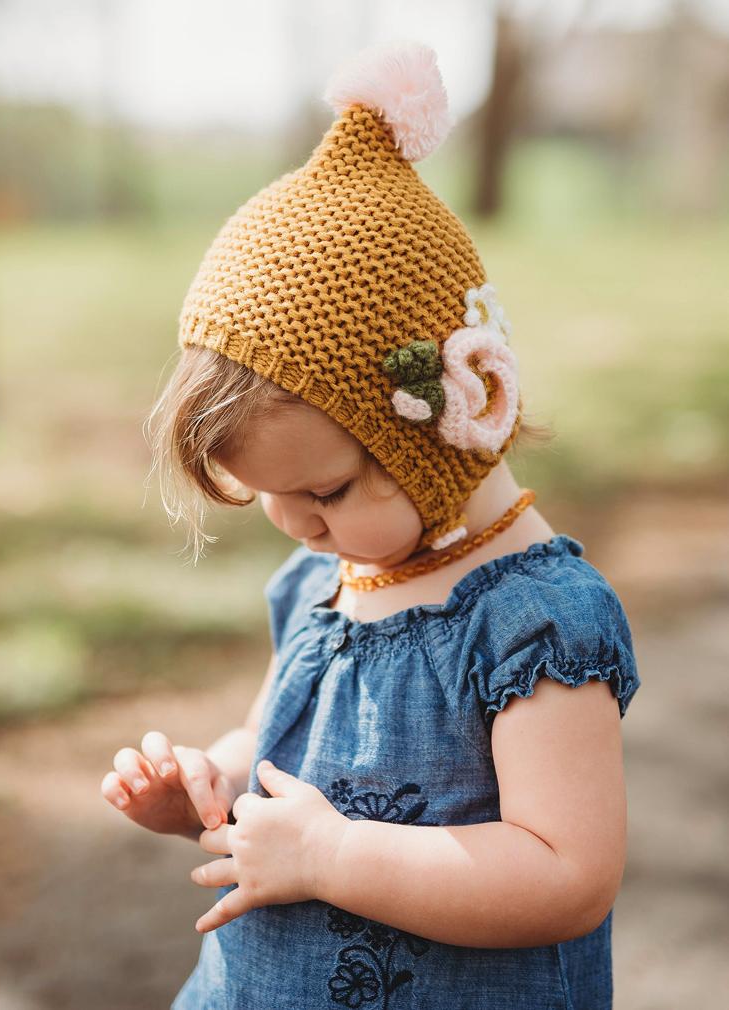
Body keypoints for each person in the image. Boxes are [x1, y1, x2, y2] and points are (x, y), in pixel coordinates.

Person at [100, 41, 640, 1009]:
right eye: (268, 494)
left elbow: (566, 872)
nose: (295, 526)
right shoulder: (323, 582)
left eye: (328, 490)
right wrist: (209, 783)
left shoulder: (535, 624)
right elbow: (275, 742)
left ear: (443, 425)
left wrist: (334, 852)